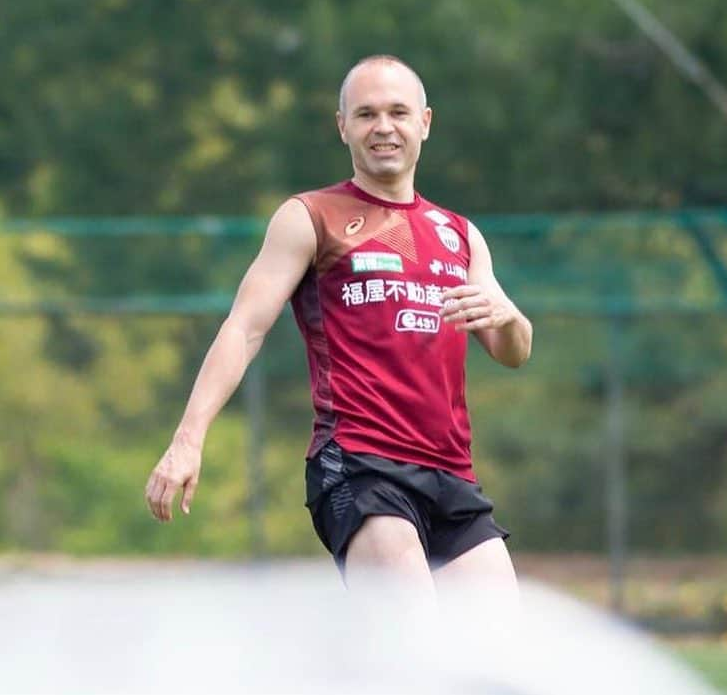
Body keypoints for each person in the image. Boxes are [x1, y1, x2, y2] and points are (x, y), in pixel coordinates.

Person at [145, 54, 532, 594]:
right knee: (410, 633)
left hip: (451, 475)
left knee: (495, 652)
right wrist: (188, 439)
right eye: (366, 113)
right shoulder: (310, 217)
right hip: (360, 465)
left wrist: (511, 317)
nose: (383, 127)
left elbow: (512, 349)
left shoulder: (460, 234)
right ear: (342, 126)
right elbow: (244, 328)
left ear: (424, 122)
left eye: (398, 112)